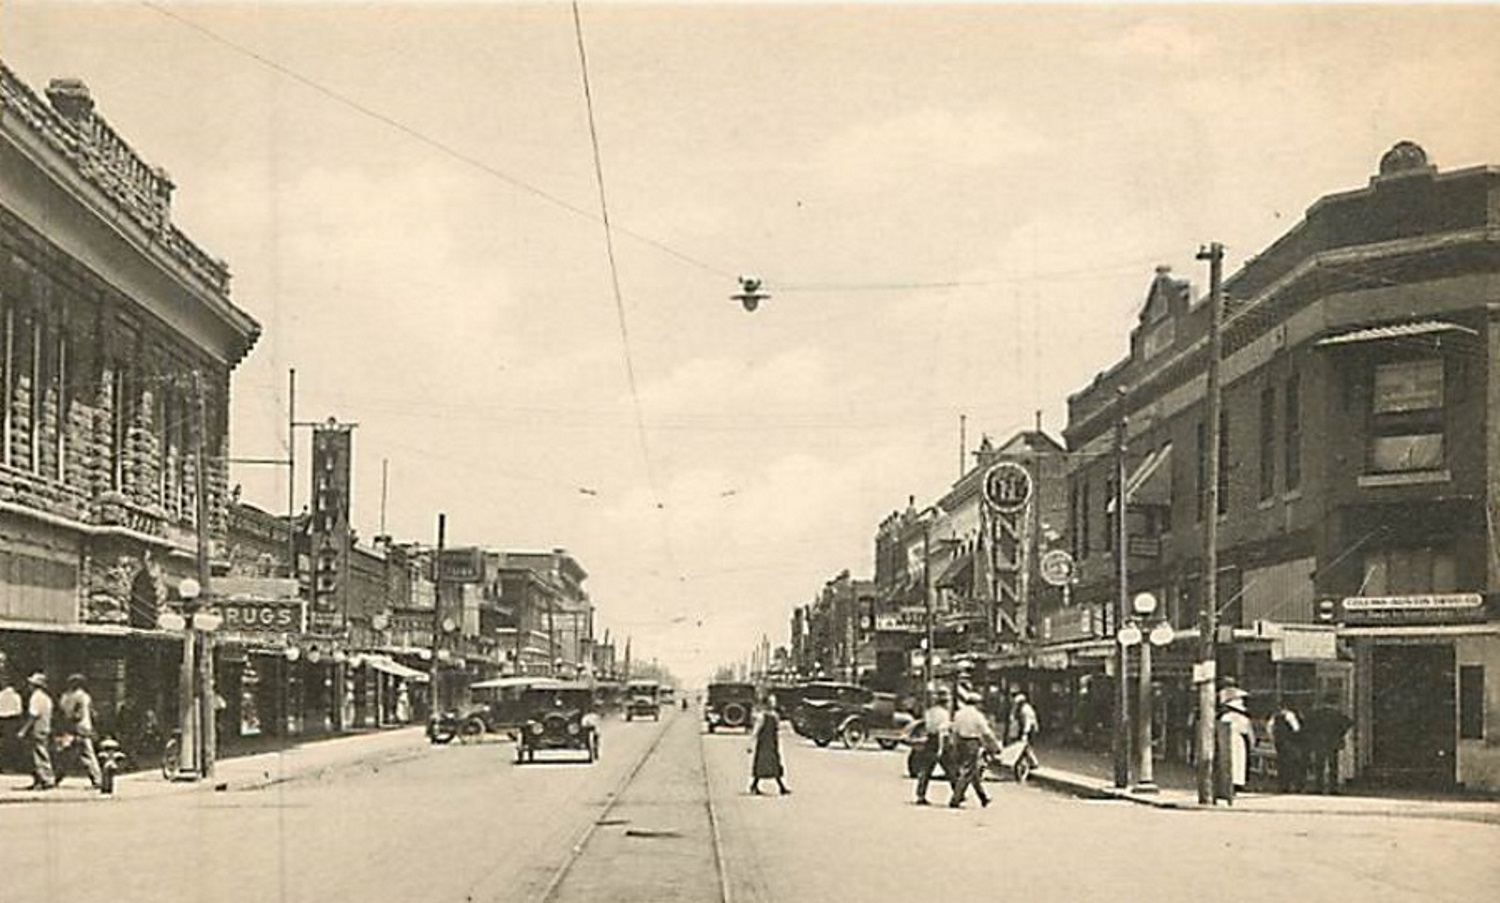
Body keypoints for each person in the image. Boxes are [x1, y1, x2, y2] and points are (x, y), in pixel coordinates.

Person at [947, 690, 996, 808]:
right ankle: (955, 799)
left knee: (973, 773)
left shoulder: (958, 714)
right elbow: (986, 732)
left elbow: (954, 731)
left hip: (960, 742)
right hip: (972, 743)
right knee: (967, 771)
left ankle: (983, 797)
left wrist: (953, 745)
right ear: (976, 703)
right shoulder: (977, 715)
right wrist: (994, 745)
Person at [57, 674, 102, 789]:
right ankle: (96, 779)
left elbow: (77, 714)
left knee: (78, 753)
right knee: (72, 753)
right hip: (84, 727)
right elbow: (92, 713)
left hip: (76, 728)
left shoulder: (74, 696)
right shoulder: (85, 696)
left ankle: (97, 779)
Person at [1302, 698, 1353, 795]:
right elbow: (1348, 723)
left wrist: (1314, 736)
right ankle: (1333, 788)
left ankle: (1319, 787)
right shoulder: (1336, 714)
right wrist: (1340, 733)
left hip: (1319, 742)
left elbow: (1307, 725)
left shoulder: (1317, 714)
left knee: (1319, 765)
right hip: (1332, 742)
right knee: (1333, 765)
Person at [913, 688, 952, 805]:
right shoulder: (944, 714)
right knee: (950, 769)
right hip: (939, 740)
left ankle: (920, 795)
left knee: (925, 770)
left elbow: (927, 726)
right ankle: (958, 793)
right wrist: (941, 748)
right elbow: (942, 730)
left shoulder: (929, 712)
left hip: (929, 740)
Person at [19, 672, 55, 790]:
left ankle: (46, 779)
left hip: (37, 728)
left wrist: (24, 730)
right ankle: (41, 779)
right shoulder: (46, 698)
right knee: (41, 752)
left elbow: (33, 715)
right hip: (45, 727)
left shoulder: (36, 697)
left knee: (39, 754)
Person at [748, 695, 789, 796]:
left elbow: (778, 728)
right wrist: (750, 744)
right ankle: (781, 787)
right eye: (771, 701)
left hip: (773, 743)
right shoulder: (761, 716)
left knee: (774, 763)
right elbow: (756, 730)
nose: (773, 703)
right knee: (762, 764)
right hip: (763, 743)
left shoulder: (775, 715)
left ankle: (755, 785)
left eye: (774, 701)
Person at [1218, 687, 1253, 792]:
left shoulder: (1224, 717)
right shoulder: (1242, 718)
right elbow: (1247, 732)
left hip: (1226, 742)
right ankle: (1238, 783)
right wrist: (1252, 743)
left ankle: (1229, 782)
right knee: (1239, 762)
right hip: (1239, 742)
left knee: (1230, 762)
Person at [1269, 699, 1307, 793]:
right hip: (1291, 742)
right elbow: (1296, 728)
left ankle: (1283, 785)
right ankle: (1296, 784)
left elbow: (1269, 728)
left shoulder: (1275, 716)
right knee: (1294, 763)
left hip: (1279, 742)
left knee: (1282, 763)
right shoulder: (1290, 715)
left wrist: (1273, 738)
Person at [1006, 690, 1041, 775]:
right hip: (1023, 728)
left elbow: (1027, 723)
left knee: (1026, 745)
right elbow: (1013, 717)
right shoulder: (1018, 708)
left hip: (1030, 729)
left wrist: (1025, 733)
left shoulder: (1025, 710)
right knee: (1023, 747)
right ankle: (1032, 762)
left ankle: (1033, 762)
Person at [0, 651, 23, 774]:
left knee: (7, 744)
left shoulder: (12, 694)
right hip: (8, 719)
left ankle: (7, 765)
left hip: (9, 720)